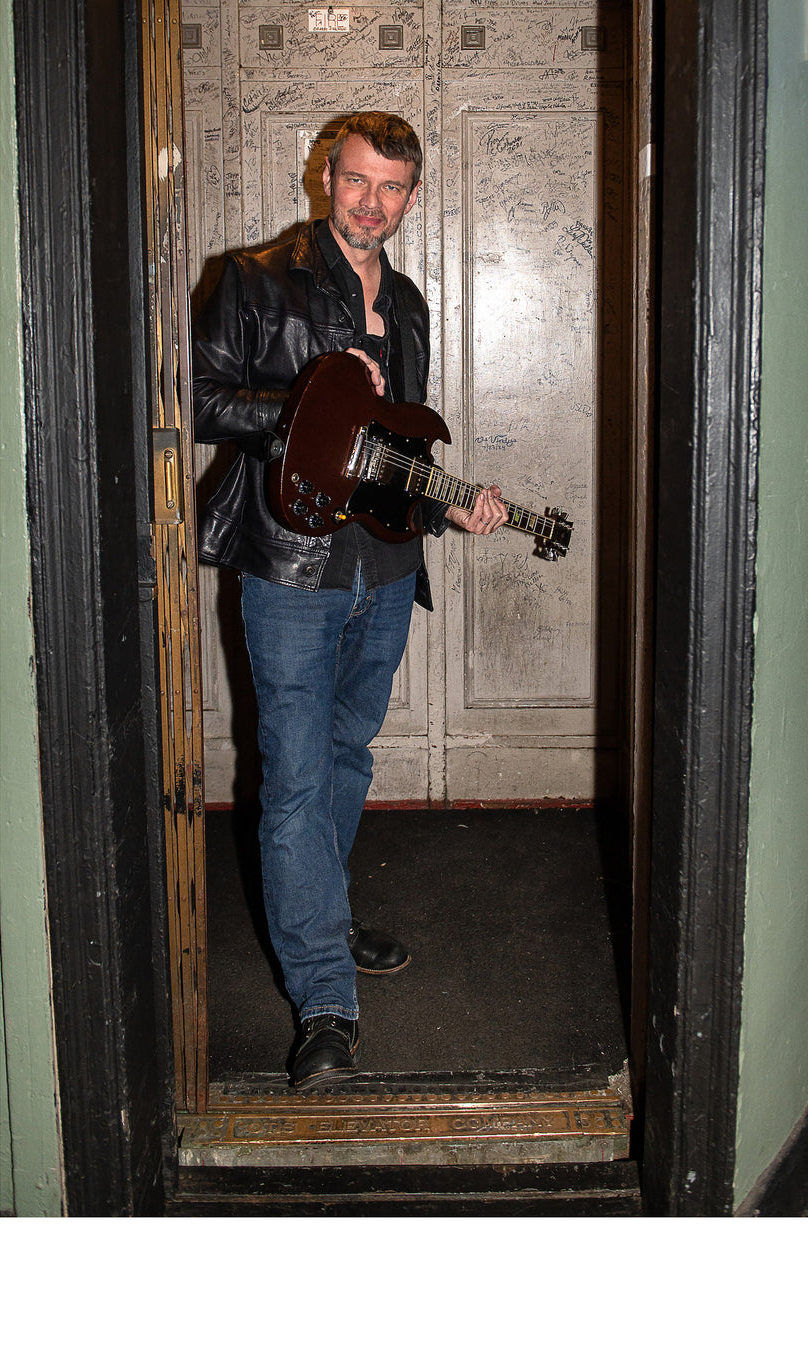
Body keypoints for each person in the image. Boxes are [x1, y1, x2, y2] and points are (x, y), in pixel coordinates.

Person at [192, 112, 507, 1091]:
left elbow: (394, 447)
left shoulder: (406, 304)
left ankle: (318, 915)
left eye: (393, 188)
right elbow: (197, 399)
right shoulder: (253, 279)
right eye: (359, 181)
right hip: (290, 567)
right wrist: (305, 412)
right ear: (325, 175)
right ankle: (324, 997)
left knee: (344, 755)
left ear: (411, 195)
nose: (373, 203)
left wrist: (446, 507)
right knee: (294, 776)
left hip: (384, 570)